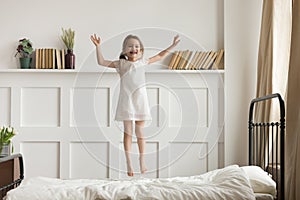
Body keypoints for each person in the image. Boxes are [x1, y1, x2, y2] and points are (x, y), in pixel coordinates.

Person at [90, 33, 180, 176]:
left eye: (137, 46)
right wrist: (98, 47)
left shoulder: (143, 62)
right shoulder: (121, 64)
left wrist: (173, 45)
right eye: (130, 46)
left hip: (140, 101)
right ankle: (128, 163)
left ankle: (142, 160)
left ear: (141, 50)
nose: (134, 48)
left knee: (140, 133)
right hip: (127, 102)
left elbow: (160, 55)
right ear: (124, 50)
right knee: (128, 133)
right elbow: (101, 62)